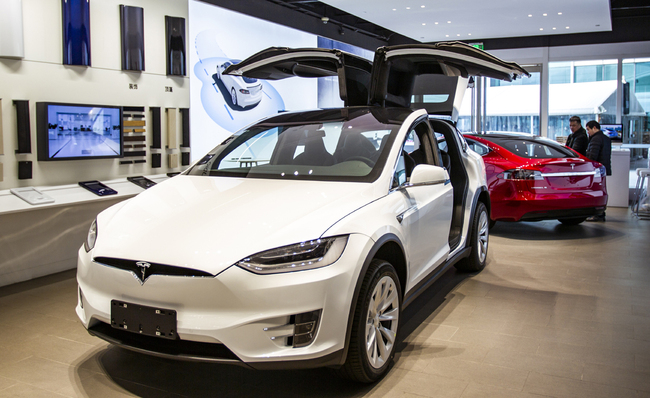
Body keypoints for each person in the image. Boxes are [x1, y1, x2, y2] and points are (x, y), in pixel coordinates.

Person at [585, 120, 612, 221]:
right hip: (603, 169)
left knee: (594, 191)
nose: (588, 132)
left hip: (596, 170)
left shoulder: (595, 139)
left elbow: (592, 156)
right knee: (601, 190)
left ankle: (597, 214)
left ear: (594, 128)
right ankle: (600, 212)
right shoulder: (606, 138)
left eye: (588, 129)